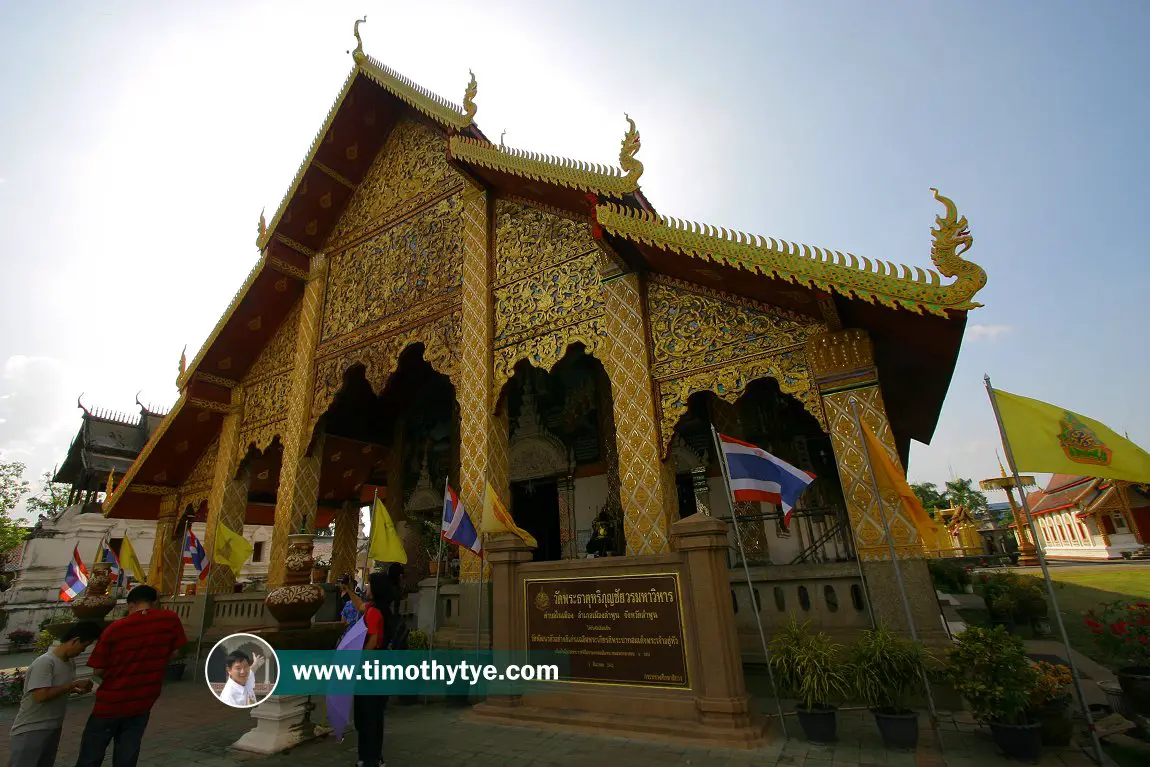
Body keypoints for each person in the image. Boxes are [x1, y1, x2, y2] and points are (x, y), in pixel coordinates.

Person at [75, 584, 187, 767]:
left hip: (111, 702)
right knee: (128, 753)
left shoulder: (115, 628)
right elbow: (176, 653)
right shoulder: (169, 620)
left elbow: (98, 670)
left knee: (91, 755)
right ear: (154, 602)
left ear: (130, 604)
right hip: (143, 699)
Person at [8, 622, 103, 767]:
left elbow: (56, 688)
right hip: (32, 729)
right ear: (74, 640)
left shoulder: (69, 662)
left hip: (53, 726)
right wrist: (72, 684)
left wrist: (73, 689)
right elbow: (40, 696)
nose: (82, 652)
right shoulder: (45, 663)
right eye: (83, 647)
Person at [353, 571, 392, 767]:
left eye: (369, 584)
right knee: (375, 713)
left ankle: (367, 759)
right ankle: (375, 756)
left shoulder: (375, 612)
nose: (366, 587)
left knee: (366, 714)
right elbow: (361, 607)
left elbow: (374, 639)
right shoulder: (383, 609)